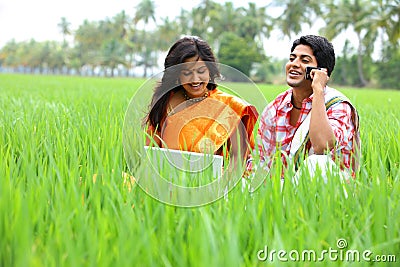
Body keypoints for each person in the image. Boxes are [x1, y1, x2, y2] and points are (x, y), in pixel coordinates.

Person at [257, 35, 360, 182]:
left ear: (321, 71)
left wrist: (318, 89)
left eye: (304, 60)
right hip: (284, 190)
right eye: (292, 58)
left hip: (331, 193)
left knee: (317, 163)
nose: (294, 64)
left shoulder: (338, 106)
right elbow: (263, 163)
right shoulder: (274, 109)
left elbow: (322, 146)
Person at [144, 36, 258, 164]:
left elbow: (238, 158)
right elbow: (150, 153)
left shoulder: (229, 107)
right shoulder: (165, 102)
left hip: (214, 179)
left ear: (210, 71)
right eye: (187, 73)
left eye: (201, 71)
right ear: (177, 75)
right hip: (168, 177)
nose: (195, 79)